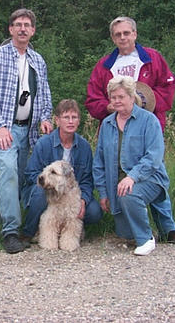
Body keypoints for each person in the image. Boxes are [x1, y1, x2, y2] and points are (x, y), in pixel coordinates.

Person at [86, 16, 175, 244]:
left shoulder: (152, 58)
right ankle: (134, 228)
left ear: (134, 34)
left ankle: (168, 228)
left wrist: (149, 105)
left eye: (126, 33)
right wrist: (107, 107)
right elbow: (92, 99)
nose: (122, 37)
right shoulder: (105, 66)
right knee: (123, 175)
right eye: (117, 34)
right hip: (117, 127)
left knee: (152, 171)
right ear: (112, 38)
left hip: (147, 124)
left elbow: (167, 86)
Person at [0, 8, 53, 254]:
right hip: (5, 129)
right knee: (9, 172)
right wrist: (0, 126)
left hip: (28, 130)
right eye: (18, 24)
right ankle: (10, 231)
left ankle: (27, 228)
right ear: (10, 29)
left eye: (27, 25)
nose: (22, 29)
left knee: (23, 177)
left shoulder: (37, 60)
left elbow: (44, 93)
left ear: (33, 31)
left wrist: (45, 118)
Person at [92, 77, 171, 256]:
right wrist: (104, 193)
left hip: (150, 179)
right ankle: (139, 226)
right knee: (125, 234)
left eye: (121, 96)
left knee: (129, 194)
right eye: (113, 98)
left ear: (131, 96)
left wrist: (132, 177)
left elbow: (154, 157)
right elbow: (99, 162)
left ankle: (146, 239)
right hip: (117, 184)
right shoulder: (107, 124)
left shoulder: (149, 120)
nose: (117, 101)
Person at [21, 99, 103, 242]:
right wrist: (50, 184)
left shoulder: (84, 147)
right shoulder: (43, 143)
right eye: (66, 117)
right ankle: (29, 231)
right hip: (46, 191)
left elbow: (87, 181)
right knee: (40, 195)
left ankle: (70, 232)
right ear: (57, 120)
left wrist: (82, 201)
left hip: (71, 194)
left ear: (79, 121)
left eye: (74, 117)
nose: (70, 121)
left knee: (94, 212)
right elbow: (31, 174)